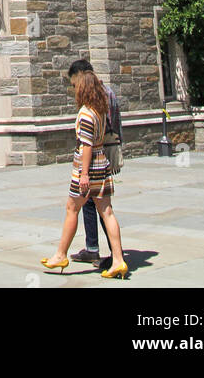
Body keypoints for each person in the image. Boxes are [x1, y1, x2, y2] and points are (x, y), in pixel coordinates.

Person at [40, 68, 128, 280]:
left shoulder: (86, 113)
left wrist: (84, 174)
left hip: (89, 166)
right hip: (102, 162)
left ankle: (60, 255)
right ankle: (118, 260)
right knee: (106, 211)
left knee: (72, 208)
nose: (74, 90)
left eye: (76, 87)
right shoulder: (99, 111)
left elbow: (86, 145)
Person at [67, 57, 122, 268]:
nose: (74, 89)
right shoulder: (108, 92)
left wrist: (84, 172)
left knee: (100, 207)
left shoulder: (98, 96)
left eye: (74, 83)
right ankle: (96, 249)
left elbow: (91, 139)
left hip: (97, 156)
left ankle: (112, 253)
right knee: (97, 205)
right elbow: (117, 124)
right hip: (107, 152)